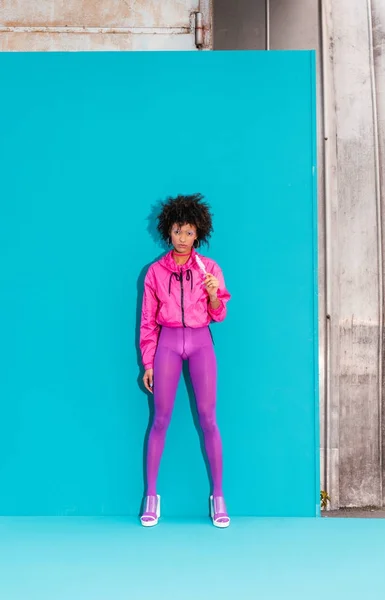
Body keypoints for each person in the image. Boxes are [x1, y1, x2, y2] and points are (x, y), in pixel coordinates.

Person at [139, 193, 231, 528]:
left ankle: (218, 496)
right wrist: (148, 362)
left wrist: (211, 294)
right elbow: (148, 321)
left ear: (198, 234)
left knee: (208, 419)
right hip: (166, 344)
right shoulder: (154, 273)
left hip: (200, 343)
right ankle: (151, 495)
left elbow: (219, 315)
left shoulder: (210, 269)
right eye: (178, 230)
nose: (183, 237)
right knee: (160, 419)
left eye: (189, 232)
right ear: (168, 231)